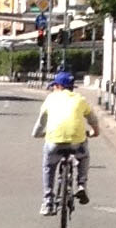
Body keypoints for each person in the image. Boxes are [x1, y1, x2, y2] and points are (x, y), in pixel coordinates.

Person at [32, 68, 97, 216]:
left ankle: (48, 202)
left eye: (54, 86)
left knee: (48, 166)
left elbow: (41, 122)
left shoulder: (50, 99)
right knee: (84, 156)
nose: (53, 88)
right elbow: (92, 119)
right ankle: (81, 185)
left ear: (59, 87)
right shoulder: (80, 99)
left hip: (54, 142)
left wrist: (36, 134)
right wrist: (95, 132)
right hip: (76, 143)